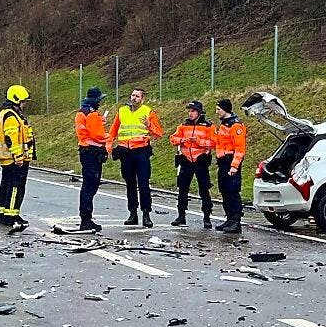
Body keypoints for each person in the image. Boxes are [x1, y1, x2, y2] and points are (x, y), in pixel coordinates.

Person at [106, 87, 164, 227]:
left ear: (142, 99)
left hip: (141, 151)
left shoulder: (147, 112)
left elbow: (158, 133)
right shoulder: (122, 111)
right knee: (130, 184)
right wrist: (108, 146)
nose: (134, 98)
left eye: (137, 96)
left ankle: (146, 214)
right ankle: (133, 213)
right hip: (125, 152)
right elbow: (113, 131)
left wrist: (149, 125)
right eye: (132, 95)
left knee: (143, 183)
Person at [0, 85, 36, 229]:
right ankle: (11, 216)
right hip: (14, 159)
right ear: (16, 100)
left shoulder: (8, 113)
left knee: (6, 185)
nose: (25, 104)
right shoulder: (11, 116)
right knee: (15, 187)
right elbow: (11, 138)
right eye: (23, 102)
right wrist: (18, 157)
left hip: (9, 158)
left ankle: (4, 214)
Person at [169, 100, 215, 228]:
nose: (190, 113)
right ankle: (181, 216)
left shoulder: (208, 126)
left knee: (204, 189)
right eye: (189, 111)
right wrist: (181, 140)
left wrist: (198, 141)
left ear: (199, 112)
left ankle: (207, 217)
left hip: (201, 161)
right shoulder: (183, 125)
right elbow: (172, 138)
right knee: (182, 189)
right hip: (186, 160)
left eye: (193, 111)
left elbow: (214, 143)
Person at [74, 87, 108, 232]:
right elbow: (98, 135)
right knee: (91, 185)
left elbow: (87, 131)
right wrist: (110, 137)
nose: (100, 102)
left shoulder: (82, 112)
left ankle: (85, 218)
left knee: (88, 185)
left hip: (85, 150)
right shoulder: (92, 115)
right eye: (99, 100)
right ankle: (86, 219)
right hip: (92, 153)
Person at [213, 98, 248, 233]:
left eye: (218, 109)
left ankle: (236, 221)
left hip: (231, 162)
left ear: (225, 109)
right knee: (224, 191)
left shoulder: (235, 126)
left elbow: (240, 149)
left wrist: (234, 166)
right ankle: (229, 219)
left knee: (232, 192)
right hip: (223, 162)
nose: (217, 112)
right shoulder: (225, 124)